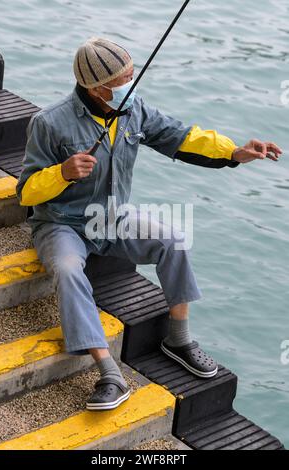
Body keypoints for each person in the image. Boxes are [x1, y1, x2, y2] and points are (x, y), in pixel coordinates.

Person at [16, 37, 282, 411]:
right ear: (96, 87)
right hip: (61, 224)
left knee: (173, 239)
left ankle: (178, 338)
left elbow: (180, 135)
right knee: (67, 268)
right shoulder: (49, 122)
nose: (131, 81)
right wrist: (62, 173)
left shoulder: (132, 107)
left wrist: (234, 152)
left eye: (131, 73)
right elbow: (26, 191)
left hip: (113, 218)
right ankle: (109, 372)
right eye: (123, 77)